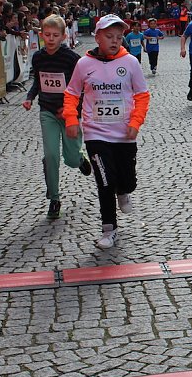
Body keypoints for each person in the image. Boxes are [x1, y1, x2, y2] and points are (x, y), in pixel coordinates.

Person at [63, 14, 151, 249]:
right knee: (104, 181)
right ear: (97, 38)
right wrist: (71, 119)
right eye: (109, 36)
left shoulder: (130, 62)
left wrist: (135, 123)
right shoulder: (84, 64)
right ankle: (109, 229)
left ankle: (124, 191)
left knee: (127, 180)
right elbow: (71, 94)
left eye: (119, 37)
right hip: (96, 133)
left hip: (124, 134)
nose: (115, 41)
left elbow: (142, 95)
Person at [22, 15, 92, 219]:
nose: (51, 39)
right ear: (41, 35)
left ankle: (79, 159)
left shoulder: (71, 59)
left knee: (70, 159)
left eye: (55, 35)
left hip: (69, 113)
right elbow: (38, 82)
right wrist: (29, 98)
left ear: (63, 36)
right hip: (47, 112)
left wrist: (73, 109)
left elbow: (83, 87)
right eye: (47, 35)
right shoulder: (38, 57)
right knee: (51, 155)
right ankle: (54, 198)